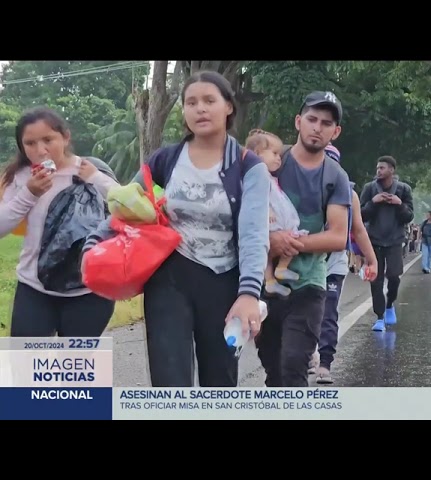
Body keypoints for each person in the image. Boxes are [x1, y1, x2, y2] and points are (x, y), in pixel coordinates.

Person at [82, 71, 271, 387]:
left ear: (228, 107)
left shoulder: (248, 166)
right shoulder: (167, 158)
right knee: (169, 380)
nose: (200, 109)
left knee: (220, 381)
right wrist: (96, 240)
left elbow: (253, 234)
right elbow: (128, 202)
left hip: (223, 283)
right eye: (191, 102)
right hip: (169, 279)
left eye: (209, 100)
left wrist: (249, 292)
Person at [255, 91, 352, 387]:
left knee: (294, 364)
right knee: (273, 367)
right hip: (265, 283)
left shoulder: (336, 176)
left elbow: (338, 236)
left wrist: (290, 243)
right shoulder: (271, 161)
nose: (317, 127)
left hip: (309, 283)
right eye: (311, 119)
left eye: (326, 123)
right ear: (298, 122)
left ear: (335, 132)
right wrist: (270, 241)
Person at [0, 106, 119, 337]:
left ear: (65, 137)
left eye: (48, 139)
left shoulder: (89, 170)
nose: (40, 150)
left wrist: (96, 179)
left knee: (73, 371)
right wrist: (29, 193)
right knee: (27, 369)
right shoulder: (22, 177)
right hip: (34, 289)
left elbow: (127, 207)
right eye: (30, 143)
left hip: (89, 292)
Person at [312, 144, 378, 384]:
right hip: (304, 263)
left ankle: (325, 363)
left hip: (334, 262)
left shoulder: (349, 194)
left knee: (328, 313)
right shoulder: (300, 184)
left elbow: (358, 229)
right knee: (305, 313)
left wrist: (371, 258)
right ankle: (308, 352)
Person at [244, 128, 307, 298]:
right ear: (257, 154)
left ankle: (280, 270)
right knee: (265, 251)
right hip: (268, 220)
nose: (279, 157)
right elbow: (256, 197)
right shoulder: (257, 175)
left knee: (291, 239)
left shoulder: (270, 176)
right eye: (274, 153)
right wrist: (267, 211)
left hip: (281, 218)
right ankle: (270, 279)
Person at [360, 156, 414, 332]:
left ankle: (390, 303)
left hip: (395, 240)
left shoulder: (404, 189)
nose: (378, 171)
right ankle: (380, 317)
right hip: (373, 240)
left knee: (394, 277)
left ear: (392, 170)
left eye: (382, 168)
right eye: (377, 168)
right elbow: (361, 215)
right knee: (375, 279)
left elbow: (409, 216)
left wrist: (399, 205)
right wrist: (373, 203)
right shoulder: (369, 188)